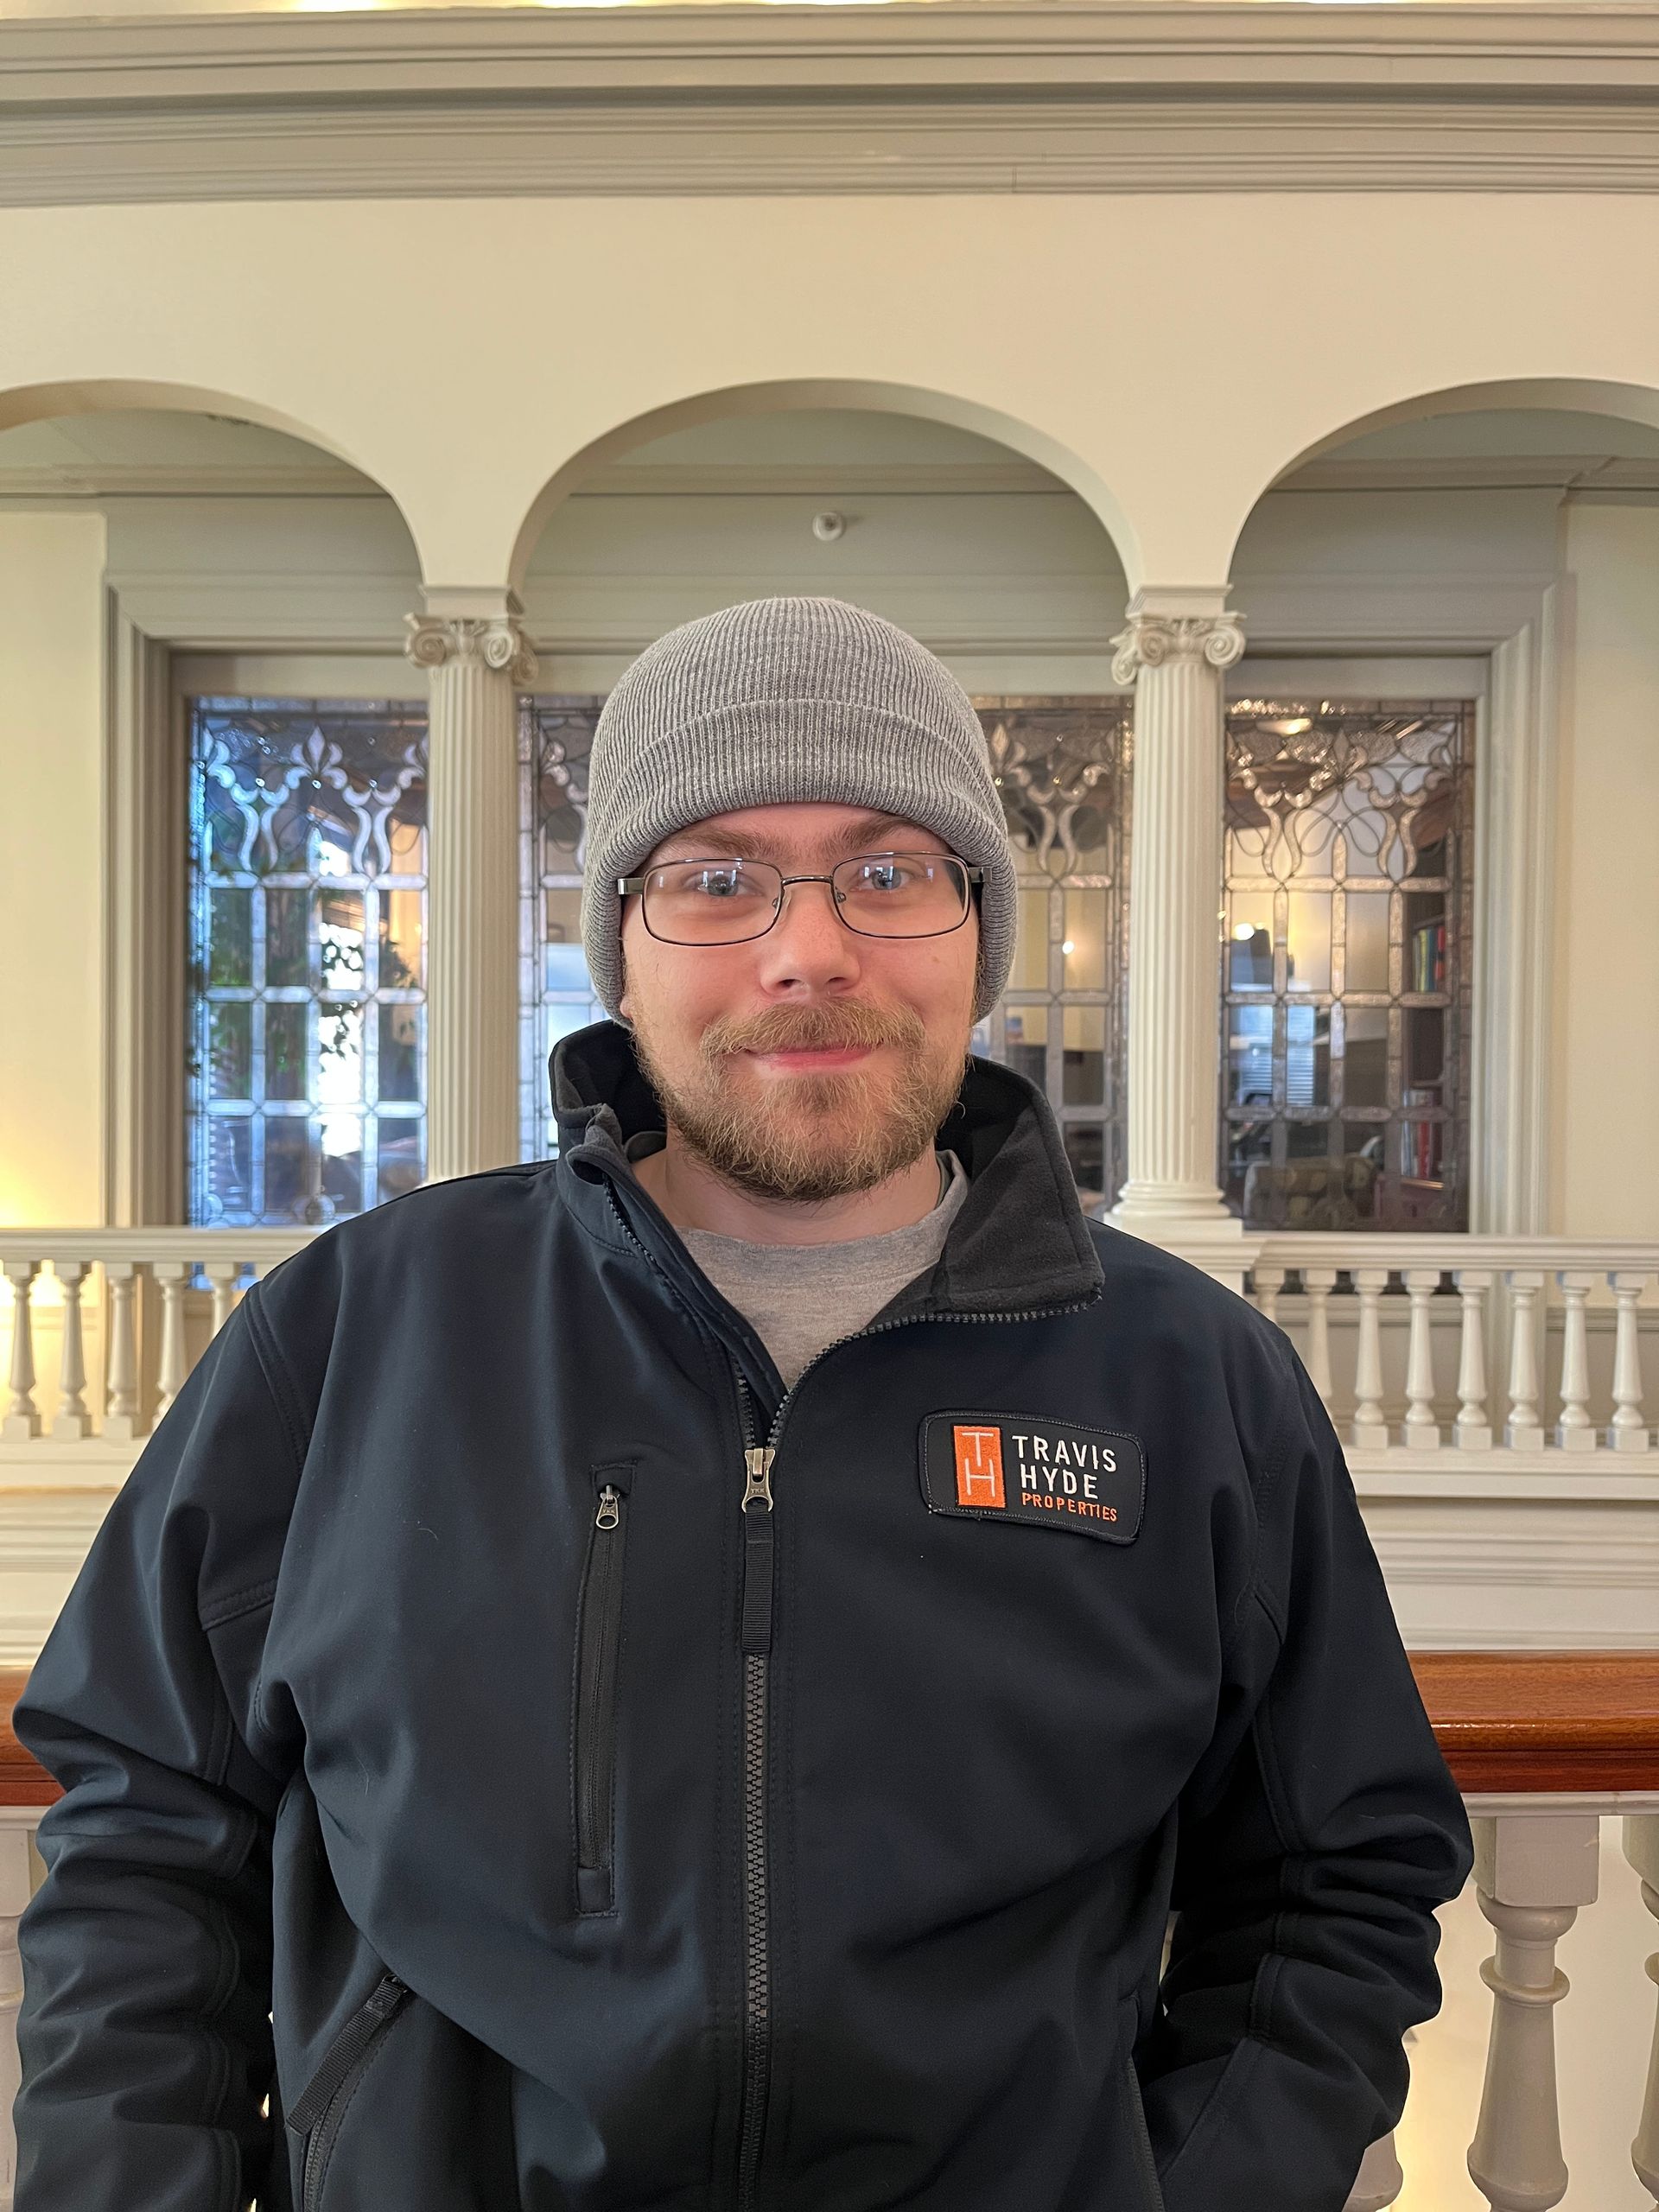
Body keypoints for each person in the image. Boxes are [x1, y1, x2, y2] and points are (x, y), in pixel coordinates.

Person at [13, 595, 1473, 2212]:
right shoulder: (356, 1334)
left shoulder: (1193, 1383)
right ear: (622, 952)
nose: (809, 950)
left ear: (977, 932)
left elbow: (1339, 1882)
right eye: (717, 880)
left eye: (889, 874)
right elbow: (149, 1830)